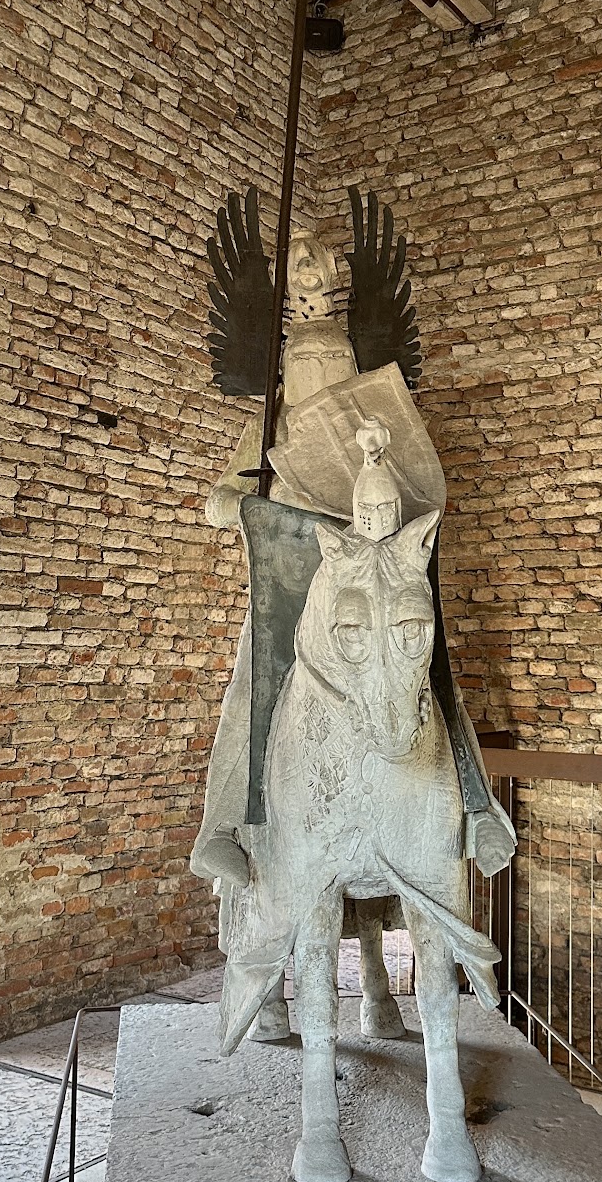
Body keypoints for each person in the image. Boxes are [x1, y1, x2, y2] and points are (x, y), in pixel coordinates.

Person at [190, 225, 513, 889]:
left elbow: (418, 491)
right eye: (307, 369)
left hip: (371, 560)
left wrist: (379, 467)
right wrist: (255, 506)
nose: (320, 379)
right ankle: (221, 826)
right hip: (295, 568)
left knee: (431, 657)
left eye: (332, 367)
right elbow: (215, 501)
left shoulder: (376, 424)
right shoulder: (268, 426)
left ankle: (476, 804)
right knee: (257, 673)